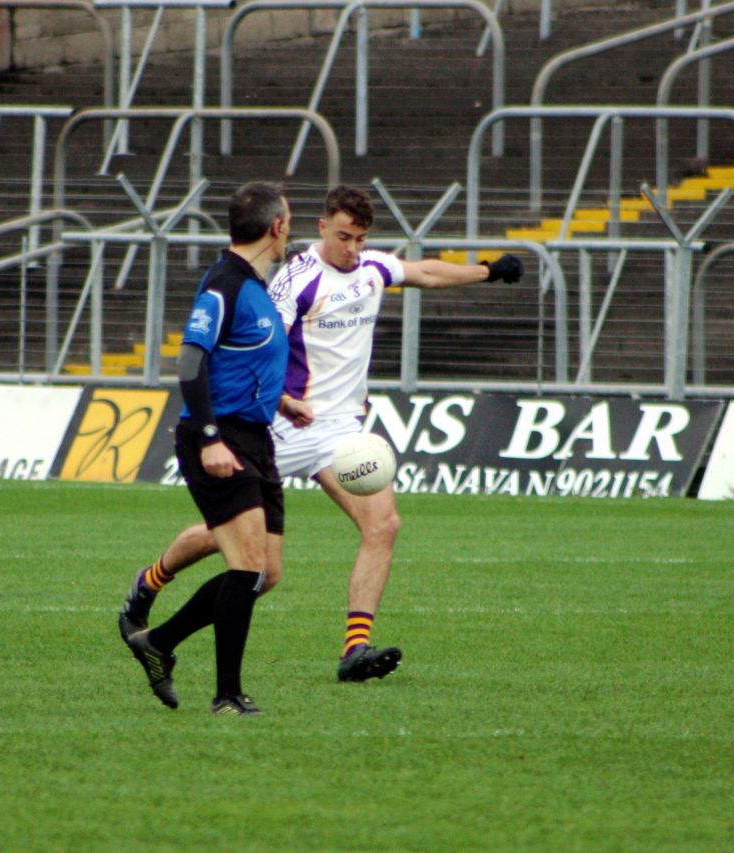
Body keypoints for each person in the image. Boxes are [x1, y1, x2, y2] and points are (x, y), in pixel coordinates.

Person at [119, 184, 523, 683]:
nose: (353, 248)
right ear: (323, 227)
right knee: (239, 551)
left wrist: (488, 270)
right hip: (285, 424)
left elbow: (425, 273)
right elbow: (263, 344)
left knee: (384, 525)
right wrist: (283, 400)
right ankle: (151, 581)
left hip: (341, 434)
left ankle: (355, 649)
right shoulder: (296, 280)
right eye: (345, 237)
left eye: (361, 239)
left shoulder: (372, 268)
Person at [123, 181, 314, 716]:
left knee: (266, 573)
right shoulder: (224, 283)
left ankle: (158, 642)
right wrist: (209, 438)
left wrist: (280, 401)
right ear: (276, 227)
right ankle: (227, 694)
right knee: (248, 566)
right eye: (289, 221)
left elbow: (238, 363)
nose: (289, 230)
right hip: (218, 436)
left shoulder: (253, 284)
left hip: (254, 435)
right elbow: (190, 363)